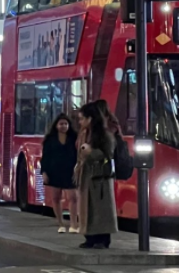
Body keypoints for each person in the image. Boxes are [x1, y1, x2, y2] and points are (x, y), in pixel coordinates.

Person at [75, 103, 117, 249]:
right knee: (87, 208)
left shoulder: (104, 134)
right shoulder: (84, 133)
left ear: (90, 119)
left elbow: (108, 154)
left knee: (100, 209)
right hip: (86, 176)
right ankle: (89, 237)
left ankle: (103, 238)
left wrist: (90, 152)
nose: (80, 122)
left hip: (100, 177)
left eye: (82, 119)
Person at [41, 114, 79, 234]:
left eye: (66, 124)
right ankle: (60, 223)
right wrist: (44, 172)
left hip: (70, 171)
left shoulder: (74, 138)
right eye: (61, 124)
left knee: (73, 197)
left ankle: (74, 224)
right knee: (56, 197)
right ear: (56, 125)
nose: (63, 126)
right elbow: (45, 157)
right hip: (54, 171)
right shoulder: (50, 139)